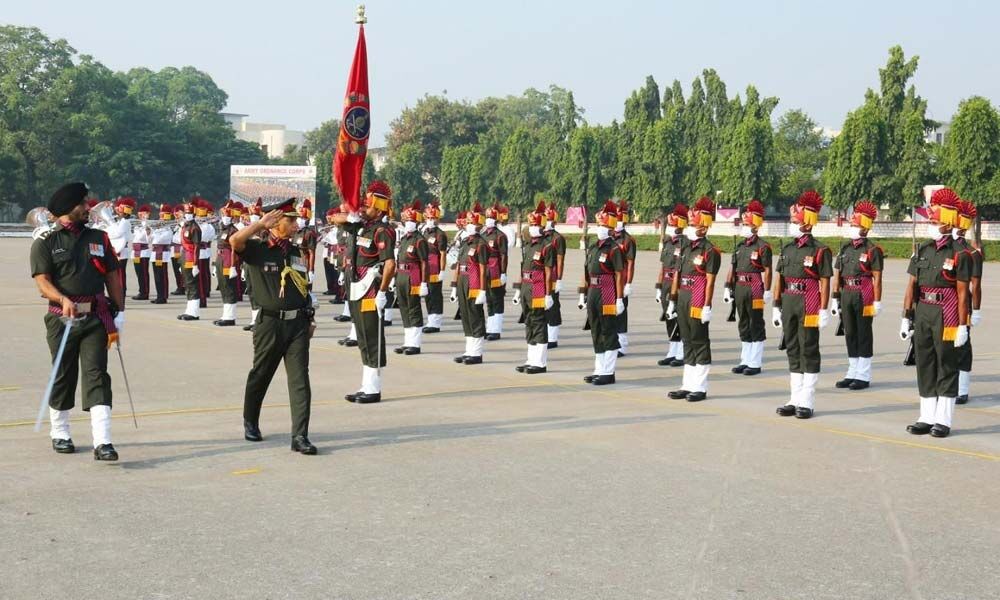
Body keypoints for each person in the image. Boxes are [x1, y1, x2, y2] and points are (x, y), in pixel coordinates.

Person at [30, 182, 126, 461]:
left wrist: (119, 309)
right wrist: (62, 300)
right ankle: (60, 434)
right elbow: (42, 283)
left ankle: (103, 441)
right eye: (83, 204)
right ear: (66, 209)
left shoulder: (99, 238)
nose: (88, 208)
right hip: (62, 320)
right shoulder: (46, 241)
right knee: (63, 375)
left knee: (97, 376)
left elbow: (112, 275)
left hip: (96, 318)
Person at [230, 198, 317, 454]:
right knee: (261, 374)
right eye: (290, 221)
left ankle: (300, 436)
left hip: (297, 325)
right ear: (275, 223)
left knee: (300, 379)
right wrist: (258, 225)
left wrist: (310, 318)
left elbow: (302, 288)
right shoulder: (257, 249)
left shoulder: (294, 252)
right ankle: (250, 420)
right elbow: (235, 242)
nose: (295, 225)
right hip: (269, 323)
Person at [900, 188, 972, 438]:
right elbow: (911, 286)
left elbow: (963, 293)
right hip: (924, 311)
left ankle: (943, 419)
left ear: (947, 221)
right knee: (925, 363)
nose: (930, 224)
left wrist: (963, 325)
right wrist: (906, 316)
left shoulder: (961, 254)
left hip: (948, 312)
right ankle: (926, 415)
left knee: (946, 365)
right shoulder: (922, 250)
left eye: (934, 220)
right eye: (930, 219)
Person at [329, 181, 397, 403]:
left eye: (367, 206)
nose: (362, 209)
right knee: (362, 335)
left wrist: (383, 292)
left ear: (378, 208)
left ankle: (374, 388)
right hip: (356, 287)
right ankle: (366, 384)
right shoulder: (360, 226)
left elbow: (389, 264)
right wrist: (351, 217)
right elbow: (334, 217)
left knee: (372, 336)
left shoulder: (382, 231)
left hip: (371, 289)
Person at [772, 190, 833, 419]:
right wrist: (777, 305)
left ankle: (807, 400)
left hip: (809, 301)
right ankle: (794, 397)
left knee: (808, 348)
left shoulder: (820, 250)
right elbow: (780, 278)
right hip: (789, 300)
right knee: (792, 347)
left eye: (795, 218)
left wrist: (823, 310)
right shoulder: (787, 249)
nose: (792, 221)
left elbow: (825, 281)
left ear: (807, 221)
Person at [665, 197, 721, 401]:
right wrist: (672, 299)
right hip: (683, 295)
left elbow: (710, 281)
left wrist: (707, 305)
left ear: (704, 228)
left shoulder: (710, 251)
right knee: (687, 340)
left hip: (698, 296)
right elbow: (677, 274)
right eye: (689, 224)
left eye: (694, 225)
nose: (690, 228)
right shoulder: (685, 247)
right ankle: (687, 384)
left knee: (699, 340)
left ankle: (700, 386)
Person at [831, 200, 883, 390]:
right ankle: (852, 371)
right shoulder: (845, 248)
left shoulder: (872, 250)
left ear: (865, 228)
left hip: (864, 294)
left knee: (863, 333)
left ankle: (863, 374)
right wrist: (835, 297)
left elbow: (877, 277)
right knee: (850, 332)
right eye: (852, 225)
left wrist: (877, 301)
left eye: (855, 225)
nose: (852, 228)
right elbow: (838, 274)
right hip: (847, 293)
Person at [578, 201, 625, 385]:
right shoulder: (593, 247)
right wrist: (583, 293)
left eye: (603, 225)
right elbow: (586, 271)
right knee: (596, 330)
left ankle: (609, 371)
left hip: (608, 291)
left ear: (611, 227)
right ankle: (599, 368)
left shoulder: (614, 249)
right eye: (598, 225)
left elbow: (620, 275)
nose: (600, 228)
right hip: (593, 291)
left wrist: (619, 298)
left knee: (608, 331)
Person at [724, 199, 772, 376]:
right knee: (743, 322)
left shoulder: (763, 246)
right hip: (740, 286)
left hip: (755, 287)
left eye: (747, 223)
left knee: (755, 322)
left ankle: (755, 362)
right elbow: (732, 266)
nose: (744, 226)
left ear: (755, 226)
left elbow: (767, 270)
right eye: (743, 223)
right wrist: (727, 286)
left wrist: (767, 290)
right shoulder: (740, 245)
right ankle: (745, 359)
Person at [513, 201, 555, 374]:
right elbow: (523, 268)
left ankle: (540, 362)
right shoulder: (529, 245)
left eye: (535, 224)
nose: (532, 228)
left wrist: (548, 294)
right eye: (531, 224)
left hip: (538, 287)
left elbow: (548, 272)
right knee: (529, 322)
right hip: (526, 286)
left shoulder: (547, 246)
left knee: (538, 322)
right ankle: (531, 358)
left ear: (543, 225)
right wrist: (518, 289)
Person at [951, 200, 983, 404]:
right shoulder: (946, 248)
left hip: (962, 305)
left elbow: (976, 285)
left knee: (962, 346)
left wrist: (976, 310)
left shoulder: (972, 254)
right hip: (943, 304)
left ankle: (962, 388)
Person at [452, 202, 489, 364]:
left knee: (475, 315)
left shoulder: (481, 244)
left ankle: (477, 352)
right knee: (465, 315)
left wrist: (482, 289)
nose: (468, 225)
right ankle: (469, 350)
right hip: (463, 280)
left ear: (479, 225)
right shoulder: (465, 242)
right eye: (467, 223)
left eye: (471, 223)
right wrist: (454, 285)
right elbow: (459, 265)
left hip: (474, 282)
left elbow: (483, 269)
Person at [394, 201, 430, 355]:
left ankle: (415, 344)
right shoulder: (404, 238)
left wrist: (424, 283)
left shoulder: (419, 240)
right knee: (404, 308)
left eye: (412, 221)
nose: (408, 223)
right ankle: (407, 341)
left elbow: (424, 262)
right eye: (407, 220)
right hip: (401, 276)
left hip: (413, 277)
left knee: (413, 308)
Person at [655, 204, 688, 367]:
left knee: (679, 318)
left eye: (674, 224)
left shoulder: (685, 244)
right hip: (667, 283)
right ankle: (672, 351)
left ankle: (682, 352)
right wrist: (658, 287)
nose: (671, 227)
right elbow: (662, 266)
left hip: (678, 284)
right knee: (669, 318)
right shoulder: (668, 243)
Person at [213, 200, 244, 327]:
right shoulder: (223, 229)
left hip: (228, 260)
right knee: (223, 286)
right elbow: (218, 246)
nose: (224, 218)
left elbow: (234, 249)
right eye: (224, 215)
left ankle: (230, 317)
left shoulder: (233, 230)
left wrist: (232, 266)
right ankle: (225, 315)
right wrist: (215, 265)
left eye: (227, 216)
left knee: (229, 287)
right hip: (221, 259)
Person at [612, 199, 637, 356]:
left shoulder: (628, 240)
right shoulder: (610, 238)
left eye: (620, 220)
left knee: (621, 314)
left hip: (622, 281)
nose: (617, 222)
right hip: (609, 281)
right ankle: (612, 341)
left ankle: (622, 344)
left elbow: (631, 263)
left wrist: (628, 283)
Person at [481, 203, 509, 341]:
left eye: (491, 217)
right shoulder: (483, 235)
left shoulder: (500, 236)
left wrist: (503, 273)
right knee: (489, 299)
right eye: (487, 217)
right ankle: (490, 327)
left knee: (497, 299)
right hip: (485, 270)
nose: (488, 219)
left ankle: (496, 330)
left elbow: (504, 255)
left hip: (496, 270)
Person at [421, 200, 448, 334]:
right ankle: (430, 319)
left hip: (435, 267)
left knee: (435, 294)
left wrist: (442, 270)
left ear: (437, 218)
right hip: (426, 268)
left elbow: (443, 254)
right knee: (428, 294)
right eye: (429, 218)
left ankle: (436, 322)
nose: (431, 220)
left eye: (433, 218)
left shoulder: (440, 234)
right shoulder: (424, 232)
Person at [543, 202, 567, 349]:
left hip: (552, 276)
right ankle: (544, 333)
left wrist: (559, 279)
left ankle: (553, 337)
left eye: (549, 220)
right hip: (541, 277)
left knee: (553, 305)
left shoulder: (557, 238)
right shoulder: (540, 236)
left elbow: (560, 259)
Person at [177, 201, 203, 321]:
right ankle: (189, 309)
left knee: (192, 284)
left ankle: (194, 312)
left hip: (191, 257)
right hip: (185, 256)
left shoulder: (194, 228)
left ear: (194, 214)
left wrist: (195, 264)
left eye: (190, 213)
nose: (187, 215)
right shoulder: (185, 226)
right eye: (186, 213)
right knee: (187, 283)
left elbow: (197, 246)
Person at [243, 199, 264, 332]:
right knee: (250, 290)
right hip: (248, 262)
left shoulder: (264, 230)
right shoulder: (246, 230)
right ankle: (254, 319)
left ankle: (260, 321)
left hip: (259, 263)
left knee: (259, 291)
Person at [107, 197, 134, 298]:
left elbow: (117, 233)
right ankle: (118, 294)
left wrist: (107, 232)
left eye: (121, 210)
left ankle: (122, 294)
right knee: (117, 274)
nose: (118, 211)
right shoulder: (121, 221)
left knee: (121, 275)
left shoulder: (125, 222)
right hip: (119, 250)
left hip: (122, 251)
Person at [149, 204, 175, 304]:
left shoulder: (168, 229)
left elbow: (158, 239)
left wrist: (155, 232)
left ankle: (163, 296)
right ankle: (159, 295)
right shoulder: (158, 229)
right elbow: (150, 239)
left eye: (163, 215)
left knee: (162, 276)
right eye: (160, 215)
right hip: (155, 254)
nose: (160, 217)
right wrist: (152, 232)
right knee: (156, 276)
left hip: (162, 255)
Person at [293, 199, 319, 293]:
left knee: (305, 290)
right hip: (294, 261)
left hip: (304, 263)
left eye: (303, 208)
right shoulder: (294, 231)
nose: (300, 210)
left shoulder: (309, 233)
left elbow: (312, 253)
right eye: (299, 208)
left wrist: (311, 270)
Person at [195, 199, 215, 306]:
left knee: (202, 276)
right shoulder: (198, 226)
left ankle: (203, 298)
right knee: (199, 276)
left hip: (202, 252)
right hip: (197, 253)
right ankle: (200, 296)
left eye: (199, 216)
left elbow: (201, 238)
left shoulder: (207, 227)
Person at [130, 204, 152, 300]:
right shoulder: (137, 225)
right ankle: (141, 291)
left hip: (143, 252)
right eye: (140, 213)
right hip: (136, 253)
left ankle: (145, 292)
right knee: (138, 273)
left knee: (143, 273)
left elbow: (148, 237)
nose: (141, 215)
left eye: (143, 213)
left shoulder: (149, 225)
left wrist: (145, 221)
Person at [170, 205, 186, 296]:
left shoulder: (184, 224)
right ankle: (179, 286)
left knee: (181, 269)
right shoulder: (176, 225)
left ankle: (183, 286)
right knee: (176, 269)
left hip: (180, 249)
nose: (177, 215)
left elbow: (181, 238)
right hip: (174, 250)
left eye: (179, 212)